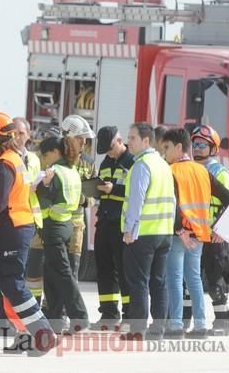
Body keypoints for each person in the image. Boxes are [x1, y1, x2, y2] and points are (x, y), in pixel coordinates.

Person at [0, 112, 57, 357]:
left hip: (10, 229)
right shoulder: (10, 159)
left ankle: (43, 333)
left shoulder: (5, 163)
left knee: (12, 284)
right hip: (4, 230)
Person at [161, 128, 229, 339]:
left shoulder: (171, 170)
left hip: (180, 235)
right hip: (201, 235)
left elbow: (173, 204)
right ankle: (200, 326)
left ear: (178, 147)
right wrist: (223, 228)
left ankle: (175, 325)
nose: (164, 152)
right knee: (194, 279)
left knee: (175, 279)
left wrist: (181, 230)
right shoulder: (204, 171)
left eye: (166, 148)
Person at [121, 122, 175, 341]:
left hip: (143, 233)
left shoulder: (142, 165)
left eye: (133, 138)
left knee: (138, 282)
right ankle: (158, 328)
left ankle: (137, 329)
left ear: (146, 140)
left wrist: (129, 229)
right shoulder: (163, 165)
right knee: (159, 281)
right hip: (164, 233)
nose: (128, 142)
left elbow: (137, 200)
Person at [37, 136, 90, 333]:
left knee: (63, 274)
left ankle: (80, 317)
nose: (44, 159)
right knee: (52, 275)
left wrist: (40, 185)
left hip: (54, 227)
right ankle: (54, 320)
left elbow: (45, 199)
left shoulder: (55, 172)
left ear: (56, 152)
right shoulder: (72, 171)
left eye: (45, 155)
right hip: (66, 224)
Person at [191, 125, 229, 336]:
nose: (197, 149)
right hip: (193, 235)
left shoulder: (219, 172)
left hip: (214, 236)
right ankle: (184, 323)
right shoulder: (189, 169)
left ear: (213, 149)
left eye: (202, 145)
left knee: (215, 283)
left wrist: (223, 231)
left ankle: (223, 323)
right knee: (189, 281)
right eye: (194, 144)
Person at [91, 126, 135, 330]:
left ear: (119, 141)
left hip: (122, 223)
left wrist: (113, 189)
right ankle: (108, 314)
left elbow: (136, 192)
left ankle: (129, 314)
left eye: (110, 149)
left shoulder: (133, 161)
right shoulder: (106, 162)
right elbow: (102, 191)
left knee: (125, 270)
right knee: (104, 269)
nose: (108, 154)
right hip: (105, 221)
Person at [60, 115, 96, 281]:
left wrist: (84, 200)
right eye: (80, 139)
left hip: (76, 225)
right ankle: (50, 305)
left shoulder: (88, 162)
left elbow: (95, 194)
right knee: (54, 267)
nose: (84, 143)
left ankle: (69, 305)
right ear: (69, 137)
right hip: (55, 224)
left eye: (85, 139)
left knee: (73, 268)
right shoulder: (56, 159)